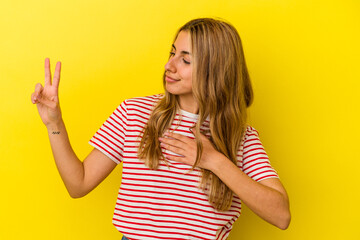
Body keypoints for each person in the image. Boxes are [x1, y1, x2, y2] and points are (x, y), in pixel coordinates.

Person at [31, 17, 290, 240]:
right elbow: (79, 184)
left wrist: (214, 160)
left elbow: (281, 215)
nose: (169, 65)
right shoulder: (134, 114)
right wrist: (54, 123)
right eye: (172, 53)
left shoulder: (240, 137)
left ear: (215, 70)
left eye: (185, 60)